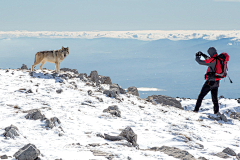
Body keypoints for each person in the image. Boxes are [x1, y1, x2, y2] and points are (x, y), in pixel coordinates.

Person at [193, 47, 222, 114]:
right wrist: (203, 55)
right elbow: (210, 59)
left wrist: (197, 56)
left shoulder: (212, 61)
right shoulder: (219, 59)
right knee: (215, 99)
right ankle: (216, 112)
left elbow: (200, 62)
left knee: (201, 96)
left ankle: (195, 110)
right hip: (217, 81)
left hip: (210, 82)